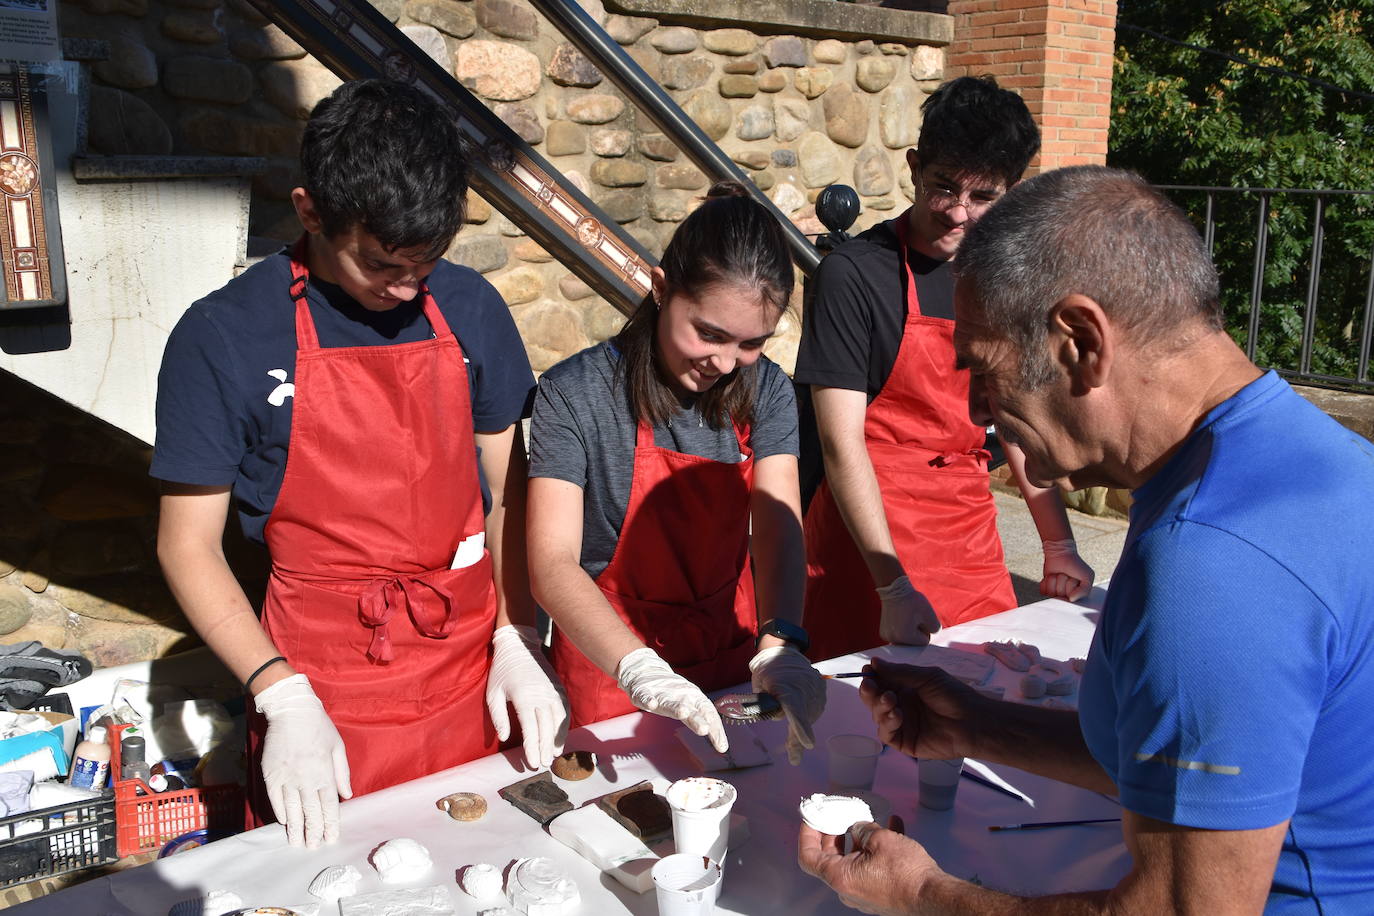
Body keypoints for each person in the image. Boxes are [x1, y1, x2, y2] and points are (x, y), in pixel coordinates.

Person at [798, 166, 1374, 913]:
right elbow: (1210, 773)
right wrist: (981, 724)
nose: (975, 409)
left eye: (982, 368)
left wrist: (922, 892)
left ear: (1079, 341)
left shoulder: (1212, 562)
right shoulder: (1305, 459)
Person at [152, 79, 568, 848]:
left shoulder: (471, 308)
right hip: (322, 687)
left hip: (468, 669)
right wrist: (280, 695)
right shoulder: (224, 338)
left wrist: (519, 635)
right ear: (310, 212)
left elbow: (510, 493)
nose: (409, 288)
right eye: (382, 265)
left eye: (428, 264)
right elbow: (187, 543)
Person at [794, 76, 1094, 660]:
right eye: (944, 188)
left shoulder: (1005, 280)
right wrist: (894, 584)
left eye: (983, 198)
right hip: (867, 541)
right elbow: (841, 445)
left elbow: (1014, 423)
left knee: (989, 691)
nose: (959, 214)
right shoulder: (854, 276)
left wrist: (1058, 543)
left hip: (965, 525)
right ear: (913, 167)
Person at [527, 182, 826, 765]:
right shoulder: (575, 395)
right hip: (611, 662)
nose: (723, 363)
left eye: (751, 343)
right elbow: (551, 562)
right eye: (709, 334)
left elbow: (778, 526)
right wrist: (638, 668)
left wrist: (782, 639)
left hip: (728, 649)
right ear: (661, 289)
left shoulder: (766, 390)